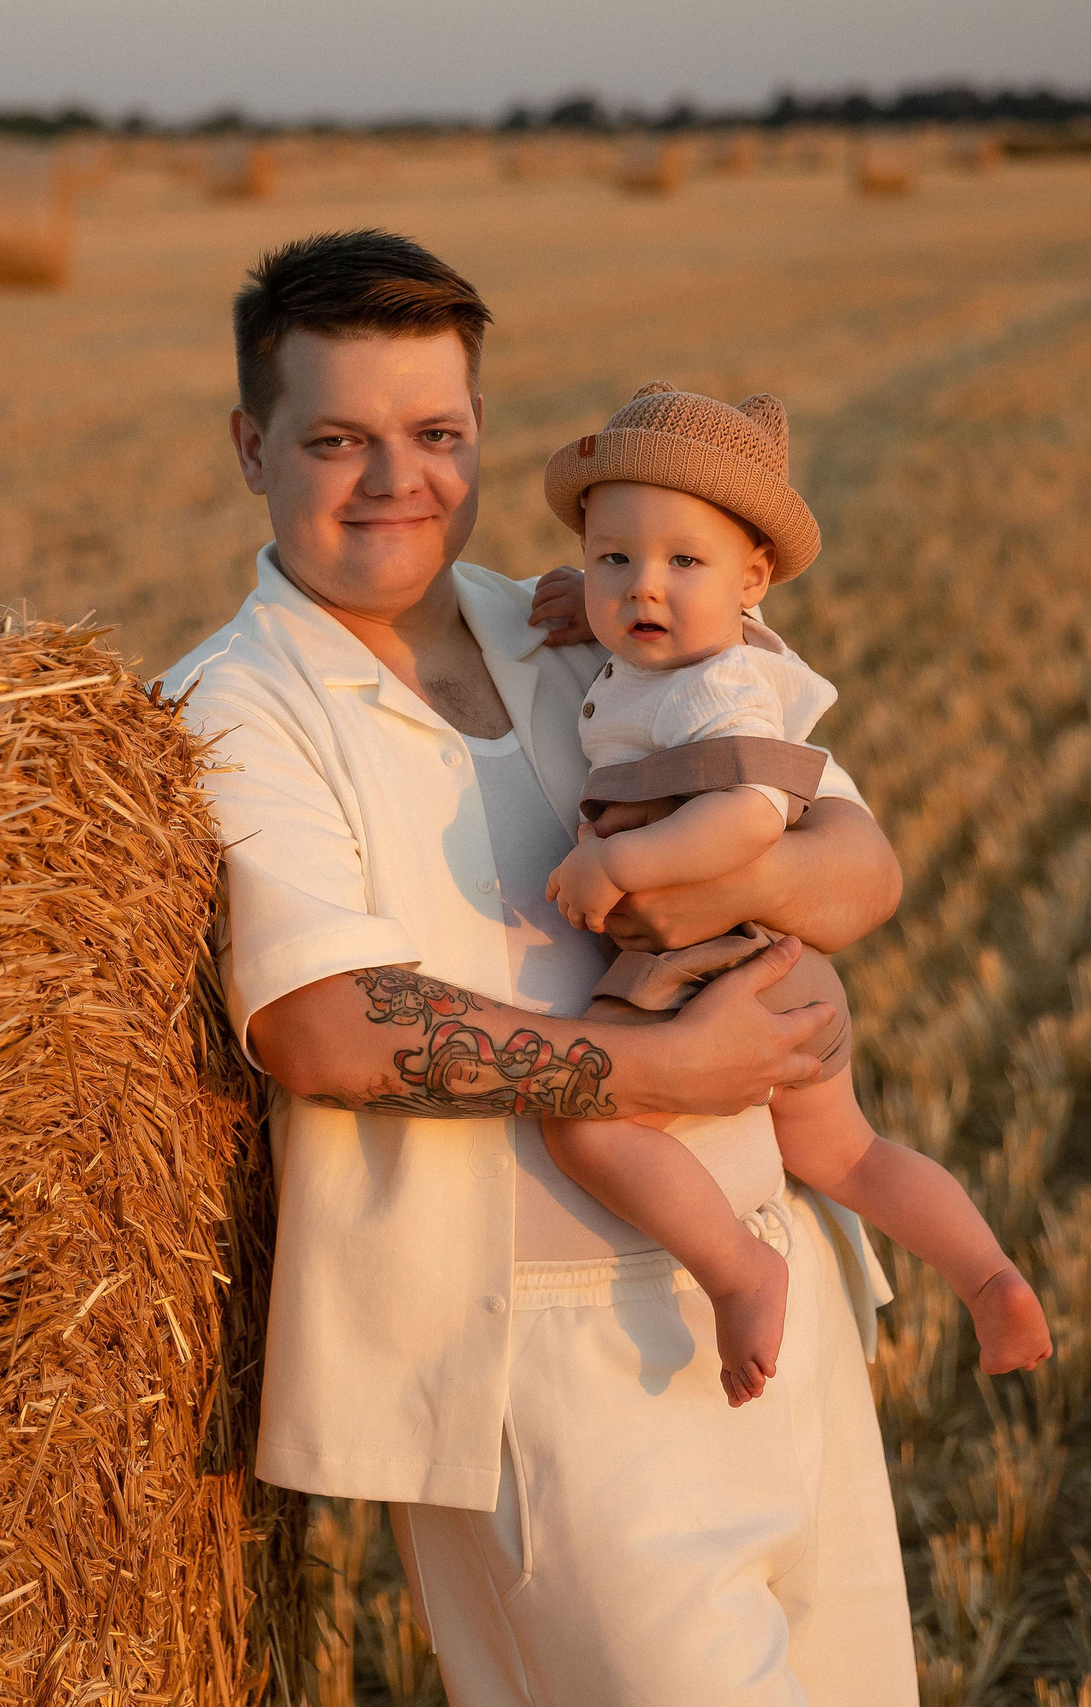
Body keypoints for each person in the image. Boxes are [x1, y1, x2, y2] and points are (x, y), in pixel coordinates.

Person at [164, 228, 916, 1704]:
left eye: (435, 435)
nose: (396, 481)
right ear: (252, 446)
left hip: (782, 1285)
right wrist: (661, 1064)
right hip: (535, 1362)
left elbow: (859, 861)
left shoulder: (587, 621)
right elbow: (324, 1025)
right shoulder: (233, 707)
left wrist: (757, 908)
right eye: (337, 440)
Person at [529, 383, 1054, 1406]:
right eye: (614, 558)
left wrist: (623, 866)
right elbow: (645, 623)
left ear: (753, 579)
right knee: (847, 1152)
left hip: (714, 962)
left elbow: (751, 815)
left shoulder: (718, 683)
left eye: (683, 563)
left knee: (586, 1126)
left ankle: (737, 1270)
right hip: (791, 968)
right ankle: (988, 1276)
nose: (643, 588)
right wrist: (584, 596)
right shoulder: (694, 647)